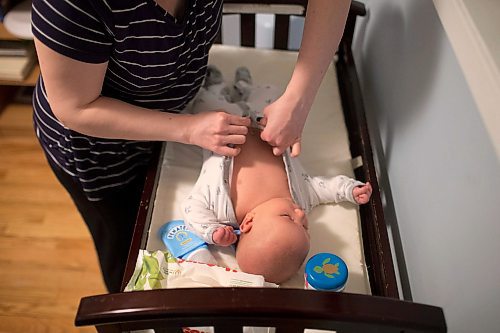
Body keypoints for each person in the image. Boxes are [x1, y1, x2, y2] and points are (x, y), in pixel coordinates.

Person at [31, 0, 352, 292]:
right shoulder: (72, 6)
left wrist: (298, 99)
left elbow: (194, 212)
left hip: (192, 112)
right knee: (122, 249)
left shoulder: (236, 208)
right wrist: (188, 130)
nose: (300, 215)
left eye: (293, 220)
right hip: (103, 152)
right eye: (299, 220)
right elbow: (75, 108)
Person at [181, 66, 372, 284]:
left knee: (203, 106)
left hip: (225, 125)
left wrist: (212, 231)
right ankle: (244, 90)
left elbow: (191, 210)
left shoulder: (221, 209)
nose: (300, 215)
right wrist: (350, 190)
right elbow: (326, 187)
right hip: (265, 121)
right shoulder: (301, 197)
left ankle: (217, 88)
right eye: (305, 226)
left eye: (288, 218)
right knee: (274, 92)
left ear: (248, 223)